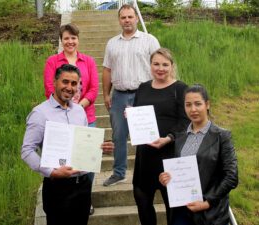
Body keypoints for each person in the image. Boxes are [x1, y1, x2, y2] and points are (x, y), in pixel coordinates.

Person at [21, 64, 114, 225]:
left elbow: (82, 144)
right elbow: (27, 151)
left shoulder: (79, 111)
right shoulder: (40, 113)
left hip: (83, 185)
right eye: (65, 82)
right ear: (55, 81)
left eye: (74, 83)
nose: (69, 87)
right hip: (57, 187)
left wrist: (98, 147)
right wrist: (51, 172)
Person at [158, 84, 238, 225]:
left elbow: (231, 177)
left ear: (207, 104)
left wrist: (207, 202)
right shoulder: (180, 137)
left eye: (198, 104)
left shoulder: (221, 136)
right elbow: (178, 170)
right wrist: (166, 178)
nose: (193, 109)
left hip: (209, 213)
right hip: (181, 212)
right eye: (188, 105)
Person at [102, 4, 160, 186]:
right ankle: (119, 172)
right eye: (123, 17)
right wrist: (106, 94)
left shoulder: (149, 40)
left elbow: (159, 66)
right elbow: (107, 69)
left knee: (146, 136)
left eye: (130, 17)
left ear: (136, 18)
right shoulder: (112, 43)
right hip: (119, 95)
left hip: (143, 95)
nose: (127, 20)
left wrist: (158, 93)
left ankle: (150, 172)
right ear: (119, 20)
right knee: (119, 135)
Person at [43, 23, 98, 214]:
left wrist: (78, 107)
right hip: (59, 119)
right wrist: (67, 107)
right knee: (62, 159)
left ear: (78, 40)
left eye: (73, 38)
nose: (70, 41)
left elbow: (94, 89)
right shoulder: (53, 61)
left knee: (87, 162)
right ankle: (63, 198)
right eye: (66, 38)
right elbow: (50, 88)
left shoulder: (88, 61)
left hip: (85, 117)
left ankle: (85, 198)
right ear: (61, 40)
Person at [132, 48, 190, 225]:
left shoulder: (180, 88)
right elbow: (136, 113)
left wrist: (169, 137)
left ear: (172, 66)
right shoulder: (142, 88)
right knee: (142, 201)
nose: (160, 68)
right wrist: (131, 117)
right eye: (156, 64)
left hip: (170, 156)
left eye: (165, 64)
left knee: (173, 207)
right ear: (150, 65)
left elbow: (186, 120)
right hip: (145, 156)